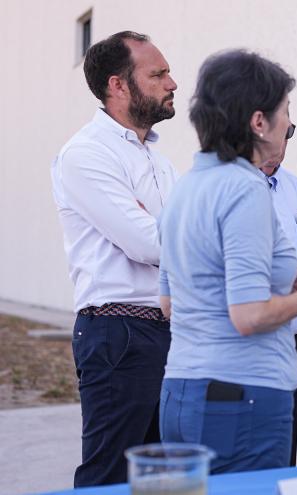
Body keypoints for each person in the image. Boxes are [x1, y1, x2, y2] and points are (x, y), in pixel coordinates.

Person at [157, 49, 297, 473]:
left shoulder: (184, 188)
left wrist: (278, 290)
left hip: (181, 393)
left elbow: (169, 304)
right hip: (240, 398)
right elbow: (248, 315)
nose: (289, 123)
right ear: (259, 122)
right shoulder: (244, 189)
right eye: (285, 111)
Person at [50, 30, 178, 487]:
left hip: (168, 332)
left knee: (166, 476)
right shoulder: (86, 153)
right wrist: (169, 232)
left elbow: (176, 236)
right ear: (117, 85)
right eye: (158, 74)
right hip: (118, 335)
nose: (172, 83)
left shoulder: (159, 162)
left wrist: (169, 232)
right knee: (109, 476)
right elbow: (149, 243)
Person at [260, 153, 297, 467]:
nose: (281, 141)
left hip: (290, 343)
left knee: (284, 451)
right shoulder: (230, 191)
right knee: (247, 460)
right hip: (248, 341)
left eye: (289, 130)